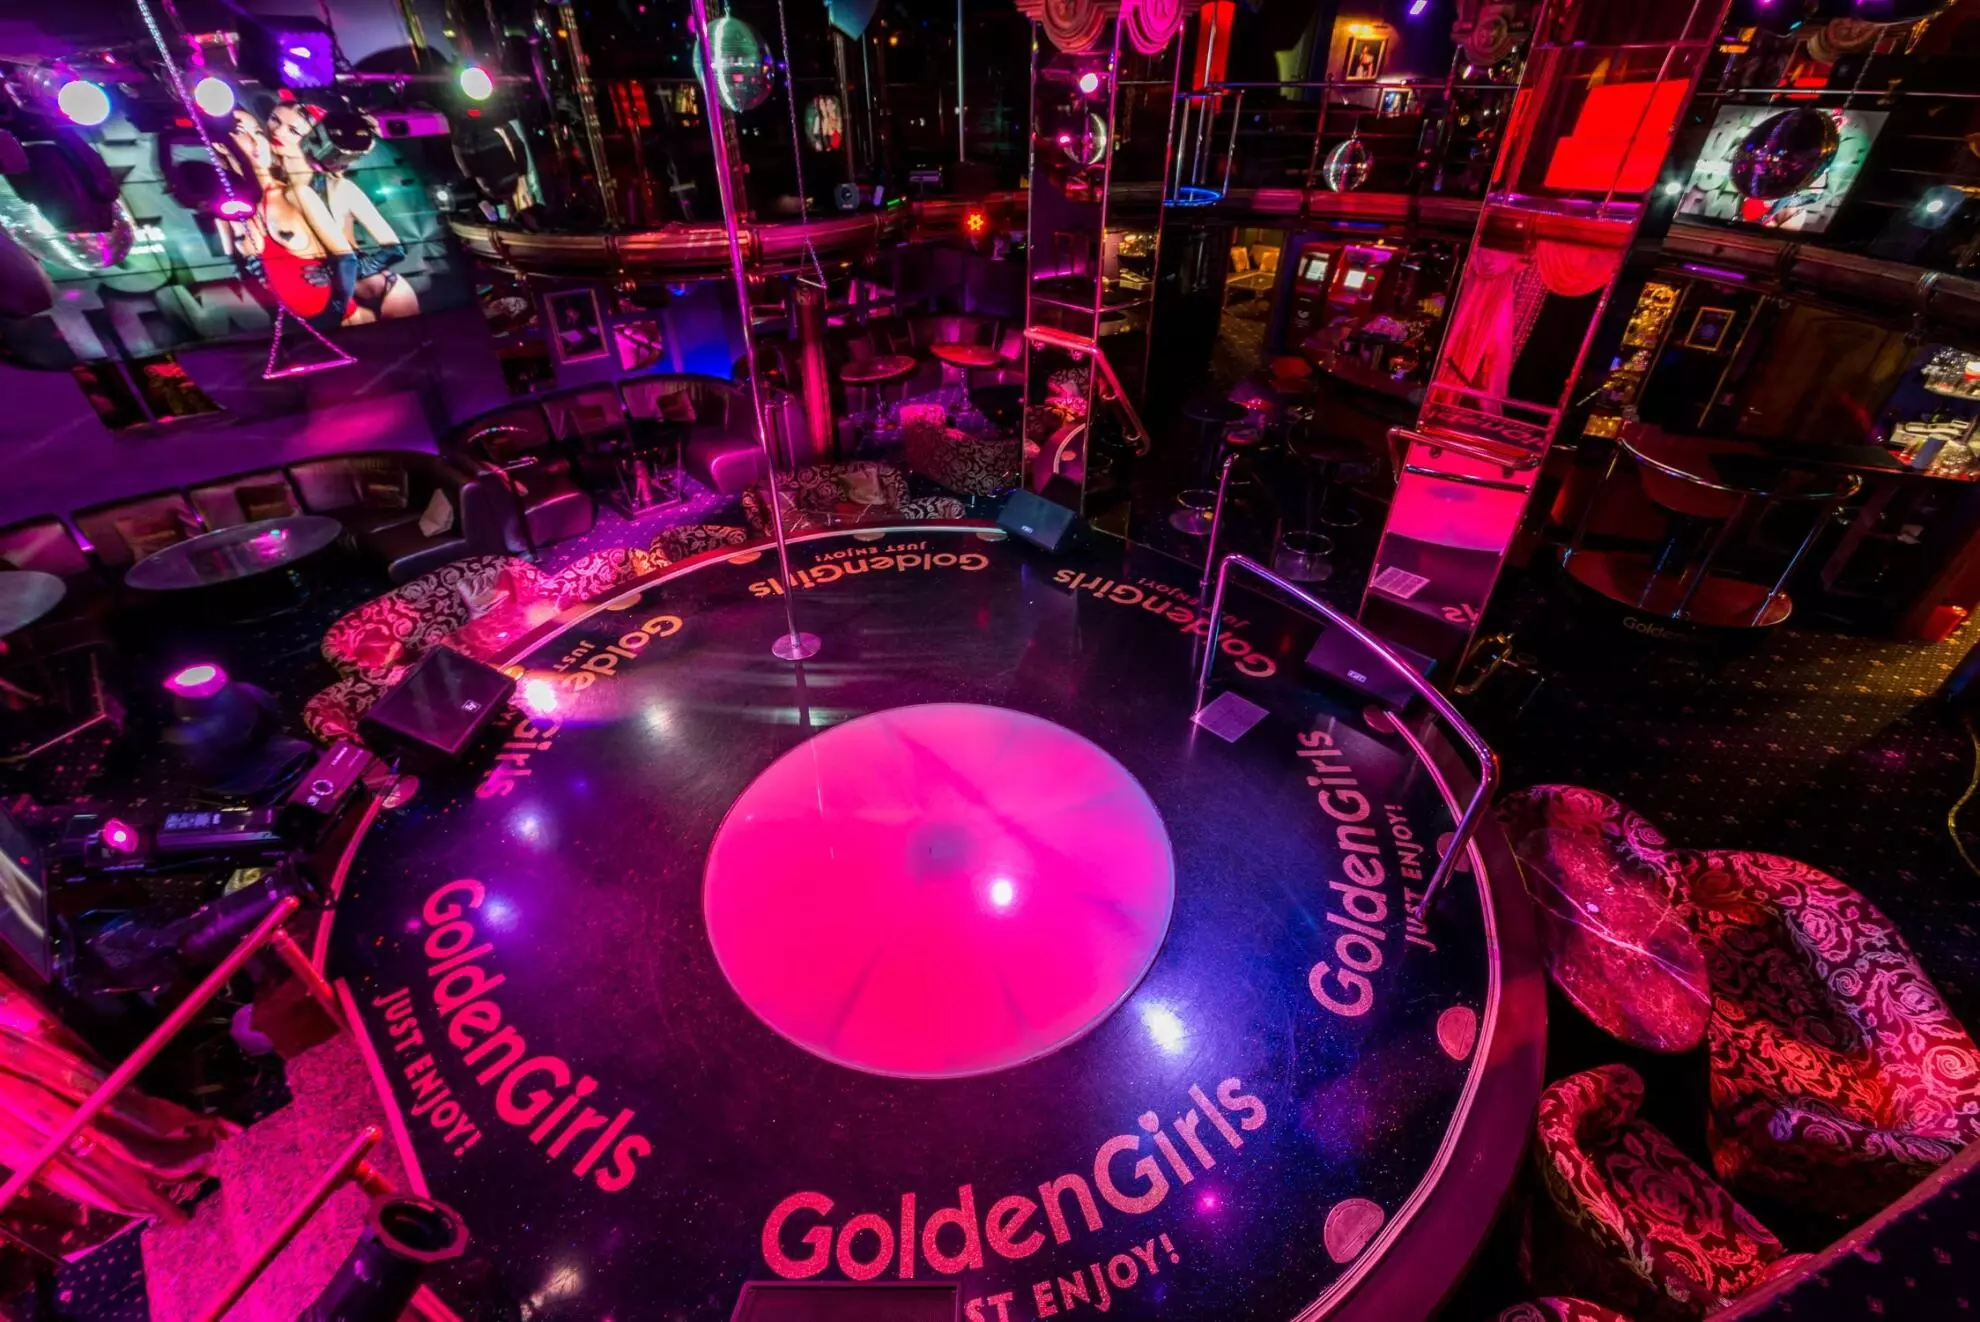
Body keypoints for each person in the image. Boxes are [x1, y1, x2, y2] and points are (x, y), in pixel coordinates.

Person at [264, 101, 418, 324]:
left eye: (294, 130)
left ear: (317, 141)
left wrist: (337, 271)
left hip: (381, 293)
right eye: (275, 119)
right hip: (325, 299)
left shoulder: (339, 188)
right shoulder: (275, 189)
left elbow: (395, 249)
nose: (278, 131)